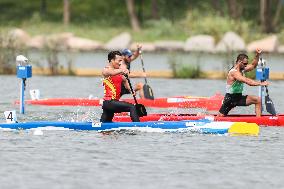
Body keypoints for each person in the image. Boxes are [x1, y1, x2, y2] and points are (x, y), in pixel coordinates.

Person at [218, 49, 269, 117]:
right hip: (230, 99)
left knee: (257, 100)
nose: (246, 65)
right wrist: (260, 83)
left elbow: (253, 65)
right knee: (220, 117)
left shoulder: (242, 69)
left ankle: (258, 121)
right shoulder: (234, 72)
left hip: (239, 97)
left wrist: (257, 55)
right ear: (239, 62)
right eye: (245, 64)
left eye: (246, 64)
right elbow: (247, 81)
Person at [100, 51, 140, 123]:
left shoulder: (119, 73)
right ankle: (139, 126)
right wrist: (123, 70)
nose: (120, 63)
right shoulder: (105, 70)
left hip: (112, 103)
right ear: (112, 60)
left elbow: (125, 81)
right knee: (132, 107)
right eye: (119, 60)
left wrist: (131, 90)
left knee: (104, 125)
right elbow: (111, 73)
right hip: (109, 102)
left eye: (121, 61)